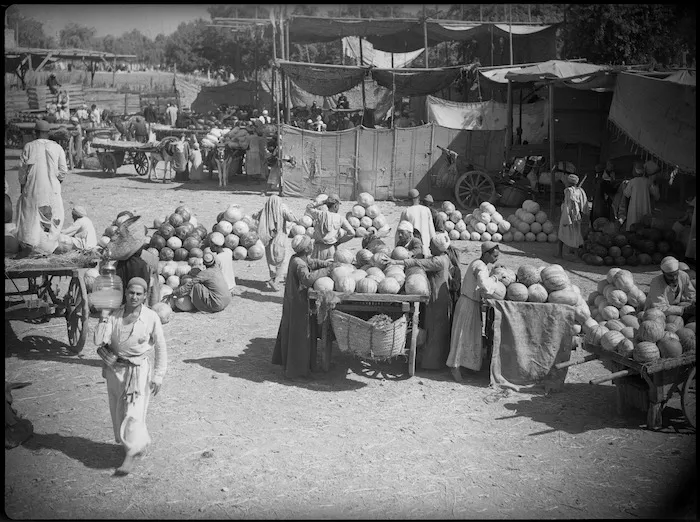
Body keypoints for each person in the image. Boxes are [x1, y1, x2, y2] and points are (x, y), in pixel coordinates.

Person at [93, 277, 167, 475]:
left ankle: (130, 456)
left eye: (139, 294)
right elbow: (99, 341)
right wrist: (103, 316)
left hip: (139, 372)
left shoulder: (151, 317)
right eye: (131, 292)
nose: (134, 297)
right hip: (115, 371)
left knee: (133, 413)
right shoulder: (115, 316)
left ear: (144, 296)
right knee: (118, 411)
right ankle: (135, 444)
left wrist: (158, 375)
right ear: (125, 293)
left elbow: (160, 347)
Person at [382, 233, 453, 371]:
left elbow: (419, 263)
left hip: (437, 298)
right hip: (441, 296)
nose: (429, 247)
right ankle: (433, 361)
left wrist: (395, 262)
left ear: (438, 248)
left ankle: (431, 364)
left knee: (433, 330)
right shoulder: (445, 257)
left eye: (431, 245)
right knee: (435, 329)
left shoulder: (438, 261)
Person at [272, 235, 333, 380]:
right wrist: (327, 271)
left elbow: (312, 262)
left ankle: (304, 366)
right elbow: (307, 279)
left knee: (302, 332)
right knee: (300, 336)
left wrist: (325, 264)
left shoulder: (297, 258)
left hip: (294, 300)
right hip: (298, 303)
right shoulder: (299, 263)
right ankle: (297, 370)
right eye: (309, 245)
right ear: (306, 249)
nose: (312, 246)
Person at [447, 241, 502, 382]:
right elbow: (484, 285)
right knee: (462, 336)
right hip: (468, 305)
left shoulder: (479, 264)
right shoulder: (480, 267)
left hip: (471, 303)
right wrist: (496, 278)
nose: (496, 259)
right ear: (486, 254)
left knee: (470, 337)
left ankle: (466, 365)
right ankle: (454, 367)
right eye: (494, 256)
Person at [15, 120, 67, 255]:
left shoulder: (29, 146)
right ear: (48, 133)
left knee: (30, 217)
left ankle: (30, 247)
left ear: (35, 133)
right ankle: (50, 247)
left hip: (33, 189)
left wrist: (23, 184)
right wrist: (56, 183)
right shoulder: (57, 147)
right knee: (52, 217)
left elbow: (22, 170)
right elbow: (63, 171)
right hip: (52, 190)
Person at [108, 215, 160, 308]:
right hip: (143, 305)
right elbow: (153, 289)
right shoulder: (150, 260)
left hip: (121, 306)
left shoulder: (118, 262)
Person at [253, 194, 299, 291]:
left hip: (269, 239)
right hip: (279, 239)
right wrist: (289, 211)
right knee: (281, 260)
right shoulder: (281, 210)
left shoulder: (265, 210)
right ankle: (275, 280)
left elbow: (255, 216)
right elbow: (292, 218)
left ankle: (275, 278)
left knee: (272, 260)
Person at [305, 194, 356, 260]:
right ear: (335, 206)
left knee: (316, 268)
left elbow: (309, 207)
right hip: (331, 249)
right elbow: (352, 233)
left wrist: (323, 202)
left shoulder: (320, 214)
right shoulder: (340, 218)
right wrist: (339, 241)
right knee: (330, 269)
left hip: (318, 249)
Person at [644, 256, 696, 320]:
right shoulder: (656, 283)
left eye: (676, 274)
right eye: (670, 275)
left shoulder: (683, 276)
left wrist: (693, 304)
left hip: (675, 307)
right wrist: (684, 309)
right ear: (663, 273)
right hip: (655, 313)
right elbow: (659, 308)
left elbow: (691, 295)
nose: (674, 278)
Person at [395, 188, 436, 258]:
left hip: (413, 249)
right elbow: (431, 229)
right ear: (419, 198)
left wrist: (397, 248)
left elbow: (401, 230)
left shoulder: (406, 211)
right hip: (426, 247)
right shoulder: (426, 210)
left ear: (409, 200)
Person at [556, 174, 589, 259]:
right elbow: (583, 204)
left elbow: (567, 204)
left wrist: (566, 217)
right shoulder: (580, 191)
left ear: (569, 182)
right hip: (576, 215)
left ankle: (560, 254)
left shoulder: (568, 191)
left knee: (561, 234)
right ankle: (575, 255)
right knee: (576, 234)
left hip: (568, 215)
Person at [624, 161, 660, 231]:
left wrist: (624, 187)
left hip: (634, 207)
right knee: (645, 225)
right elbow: (656, 195)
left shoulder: (632, 182)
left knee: (633, 224)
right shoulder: (648, 181)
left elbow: (626, 194)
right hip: (645, 206)